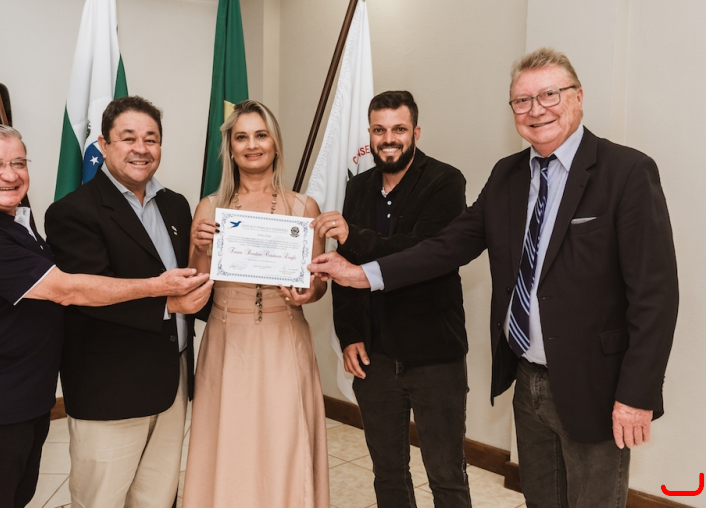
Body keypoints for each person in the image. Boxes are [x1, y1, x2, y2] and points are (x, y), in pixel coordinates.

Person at [309, 47, 678, 508]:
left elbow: (655, 294)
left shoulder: (626, 172)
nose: (536, 110)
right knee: (540, 500)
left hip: (595, 385)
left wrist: (637, 394)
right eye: (522, 101)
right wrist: (364, 275)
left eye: (549, 94)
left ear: (578, 96)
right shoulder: (508, 176)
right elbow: (447, 246)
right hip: (527, 380)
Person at [0, 123, 210, 508]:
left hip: (24, 392)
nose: (10, 174)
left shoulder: (10, 216)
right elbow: (65, 289)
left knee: (16, 495)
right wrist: (158, 287)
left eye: (18, 162)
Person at [44, 96, 211, 508]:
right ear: (104, 145)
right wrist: (168, 305)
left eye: (151, 139)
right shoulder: (72, 212)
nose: (141, 148)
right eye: (129, 138)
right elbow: (86, 294)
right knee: (101, 499)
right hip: (111, 388)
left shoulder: (176, 204)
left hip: (172, 380)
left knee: (157, 497)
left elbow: (187, 279)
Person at [311, 90, 471, 507]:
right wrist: (349, 335)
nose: (388, 139)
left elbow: (424, 253)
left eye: (399, 129)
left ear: (415, 132)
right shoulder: (358, 187)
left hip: (434, 356)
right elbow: (343, 267)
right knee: (388, 472)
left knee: (447, 475)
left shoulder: (445, 182)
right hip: (375, 358)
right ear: (369, 134)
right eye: (379, 130)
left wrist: (354, 235)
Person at [183, 99, 330, 508]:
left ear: (276, 144)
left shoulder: (304, 208)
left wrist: (310, 292)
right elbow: (195, 284)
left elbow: (317, 283)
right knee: (229, 441)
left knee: (284, 438)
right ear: (230, 148)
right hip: (227, 342)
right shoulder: (209, 207)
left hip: (285, 339)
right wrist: (200, 248)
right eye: (241, 137)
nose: (252, 145)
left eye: (261, 135)